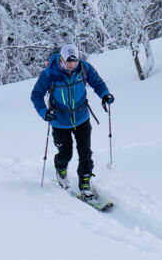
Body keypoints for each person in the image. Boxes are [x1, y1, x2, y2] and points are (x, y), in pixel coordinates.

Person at [31, 43, 113, 195]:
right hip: (59, 121)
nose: (72, 65)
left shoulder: (84, 68)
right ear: (62, 59)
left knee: (85, 152)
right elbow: (36, 95)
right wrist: (44, 112)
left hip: (81, 117)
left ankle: (85, 181)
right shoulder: (50, 73)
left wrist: (105, 94)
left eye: (75, 61)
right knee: (65, 153)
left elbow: (97, 82)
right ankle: (60, 169)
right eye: (69, 62)